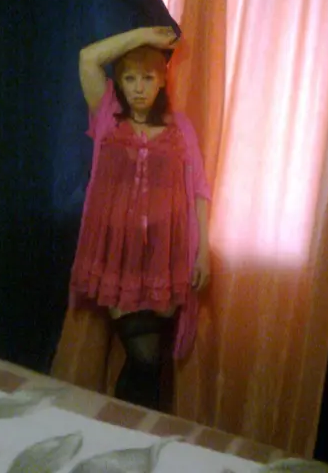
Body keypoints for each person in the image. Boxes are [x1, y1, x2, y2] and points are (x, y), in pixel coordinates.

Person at [69, 26, 210, 410]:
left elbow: (200, 190)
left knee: (151, 362)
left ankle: (134, 433)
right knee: (143, 357)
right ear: (119, 83)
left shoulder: (181, 128)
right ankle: (131, 432)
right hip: (120, 258)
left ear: (163, 79)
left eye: (148, 77)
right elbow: (88, 57)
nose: (138, 88)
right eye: (129, 78)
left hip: (168, 257)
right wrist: (146, 35)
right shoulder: (107, 118)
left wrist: (203, 252)